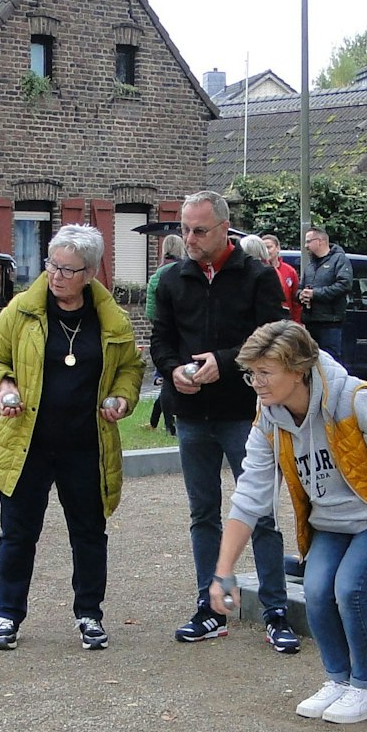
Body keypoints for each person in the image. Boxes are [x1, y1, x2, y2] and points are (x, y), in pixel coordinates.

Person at [208, 321, 367, 724]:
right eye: (252, 374)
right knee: (317, 591)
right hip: (331, 520)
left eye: (265, 373)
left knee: (349, 589)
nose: (256, 383)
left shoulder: (356, 401)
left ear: (298, 370)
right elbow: (250, 494)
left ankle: (366, 689)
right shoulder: (269, 417)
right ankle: (338, 680)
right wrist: (223, 572)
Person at [0, 225, 145, 651]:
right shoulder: (21, 311)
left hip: (86, 445)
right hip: (26, 442)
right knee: (18, 533)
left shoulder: (112, 319)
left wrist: (121, 399)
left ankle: (89, 614)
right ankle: (7, 615)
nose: (55, 276)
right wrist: (4, 388)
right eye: (52, 265)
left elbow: (131, 369)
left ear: (89, 273)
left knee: (89, 533)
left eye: (68, 270)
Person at [152, 191, 298, 651]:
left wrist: (226, 360)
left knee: (261, 513)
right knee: (203, 514)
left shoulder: (257, 277)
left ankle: (276, 608)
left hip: (246, 412)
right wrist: (174, 369)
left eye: (199, 230)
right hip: (193, 412)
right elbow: (160, 340)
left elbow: (277, 340)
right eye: (184, 229)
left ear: (223, 229)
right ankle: (210, 605)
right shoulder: (173, 279)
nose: (189, 239)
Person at [145, 235, 185, 434]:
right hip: (185, 332)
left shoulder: (157, 275)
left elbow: (151, 312)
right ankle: (166, 423)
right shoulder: (186, 271)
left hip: (165, 334)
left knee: (168, 379)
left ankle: (167, 423)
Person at [298, 225, 354, 354]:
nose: (306, 246)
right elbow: (300, 287)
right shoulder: (310, 265)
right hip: (311, 321)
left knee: (330, 360)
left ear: (320, 241)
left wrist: (315, 294)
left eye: (308, 241)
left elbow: (344, 285)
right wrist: (301, 295)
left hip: (330, 322)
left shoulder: (339, 260)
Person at [262, 234, 301, 322]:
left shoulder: (290, 271)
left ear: (278, 248)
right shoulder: (257, 270)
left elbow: (295, 301)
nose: (266, 251)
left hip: (285, 322)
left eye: (269, 247)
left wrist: (297, 323)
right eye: (263, 248)